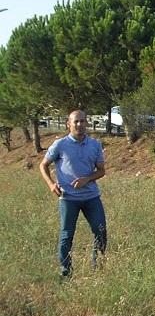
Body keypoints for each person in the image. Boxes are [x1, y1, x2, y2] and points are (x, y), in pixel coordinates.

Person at [40, 110, 107, 278]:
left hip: (91, 197)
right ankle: (66, 273)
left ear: (87, 124)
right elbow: (43, 165)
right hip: (68, 199)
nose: (80, 125)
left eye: (83, 121)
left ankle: (96, 267)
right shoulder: (60, 145)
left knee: (101, 231)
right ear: (68, 124)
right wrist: (51, 184)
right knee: (66, 235)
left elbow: (101, 171)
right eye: (76, 121)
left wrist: (87, 179)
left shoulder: (95, 145)